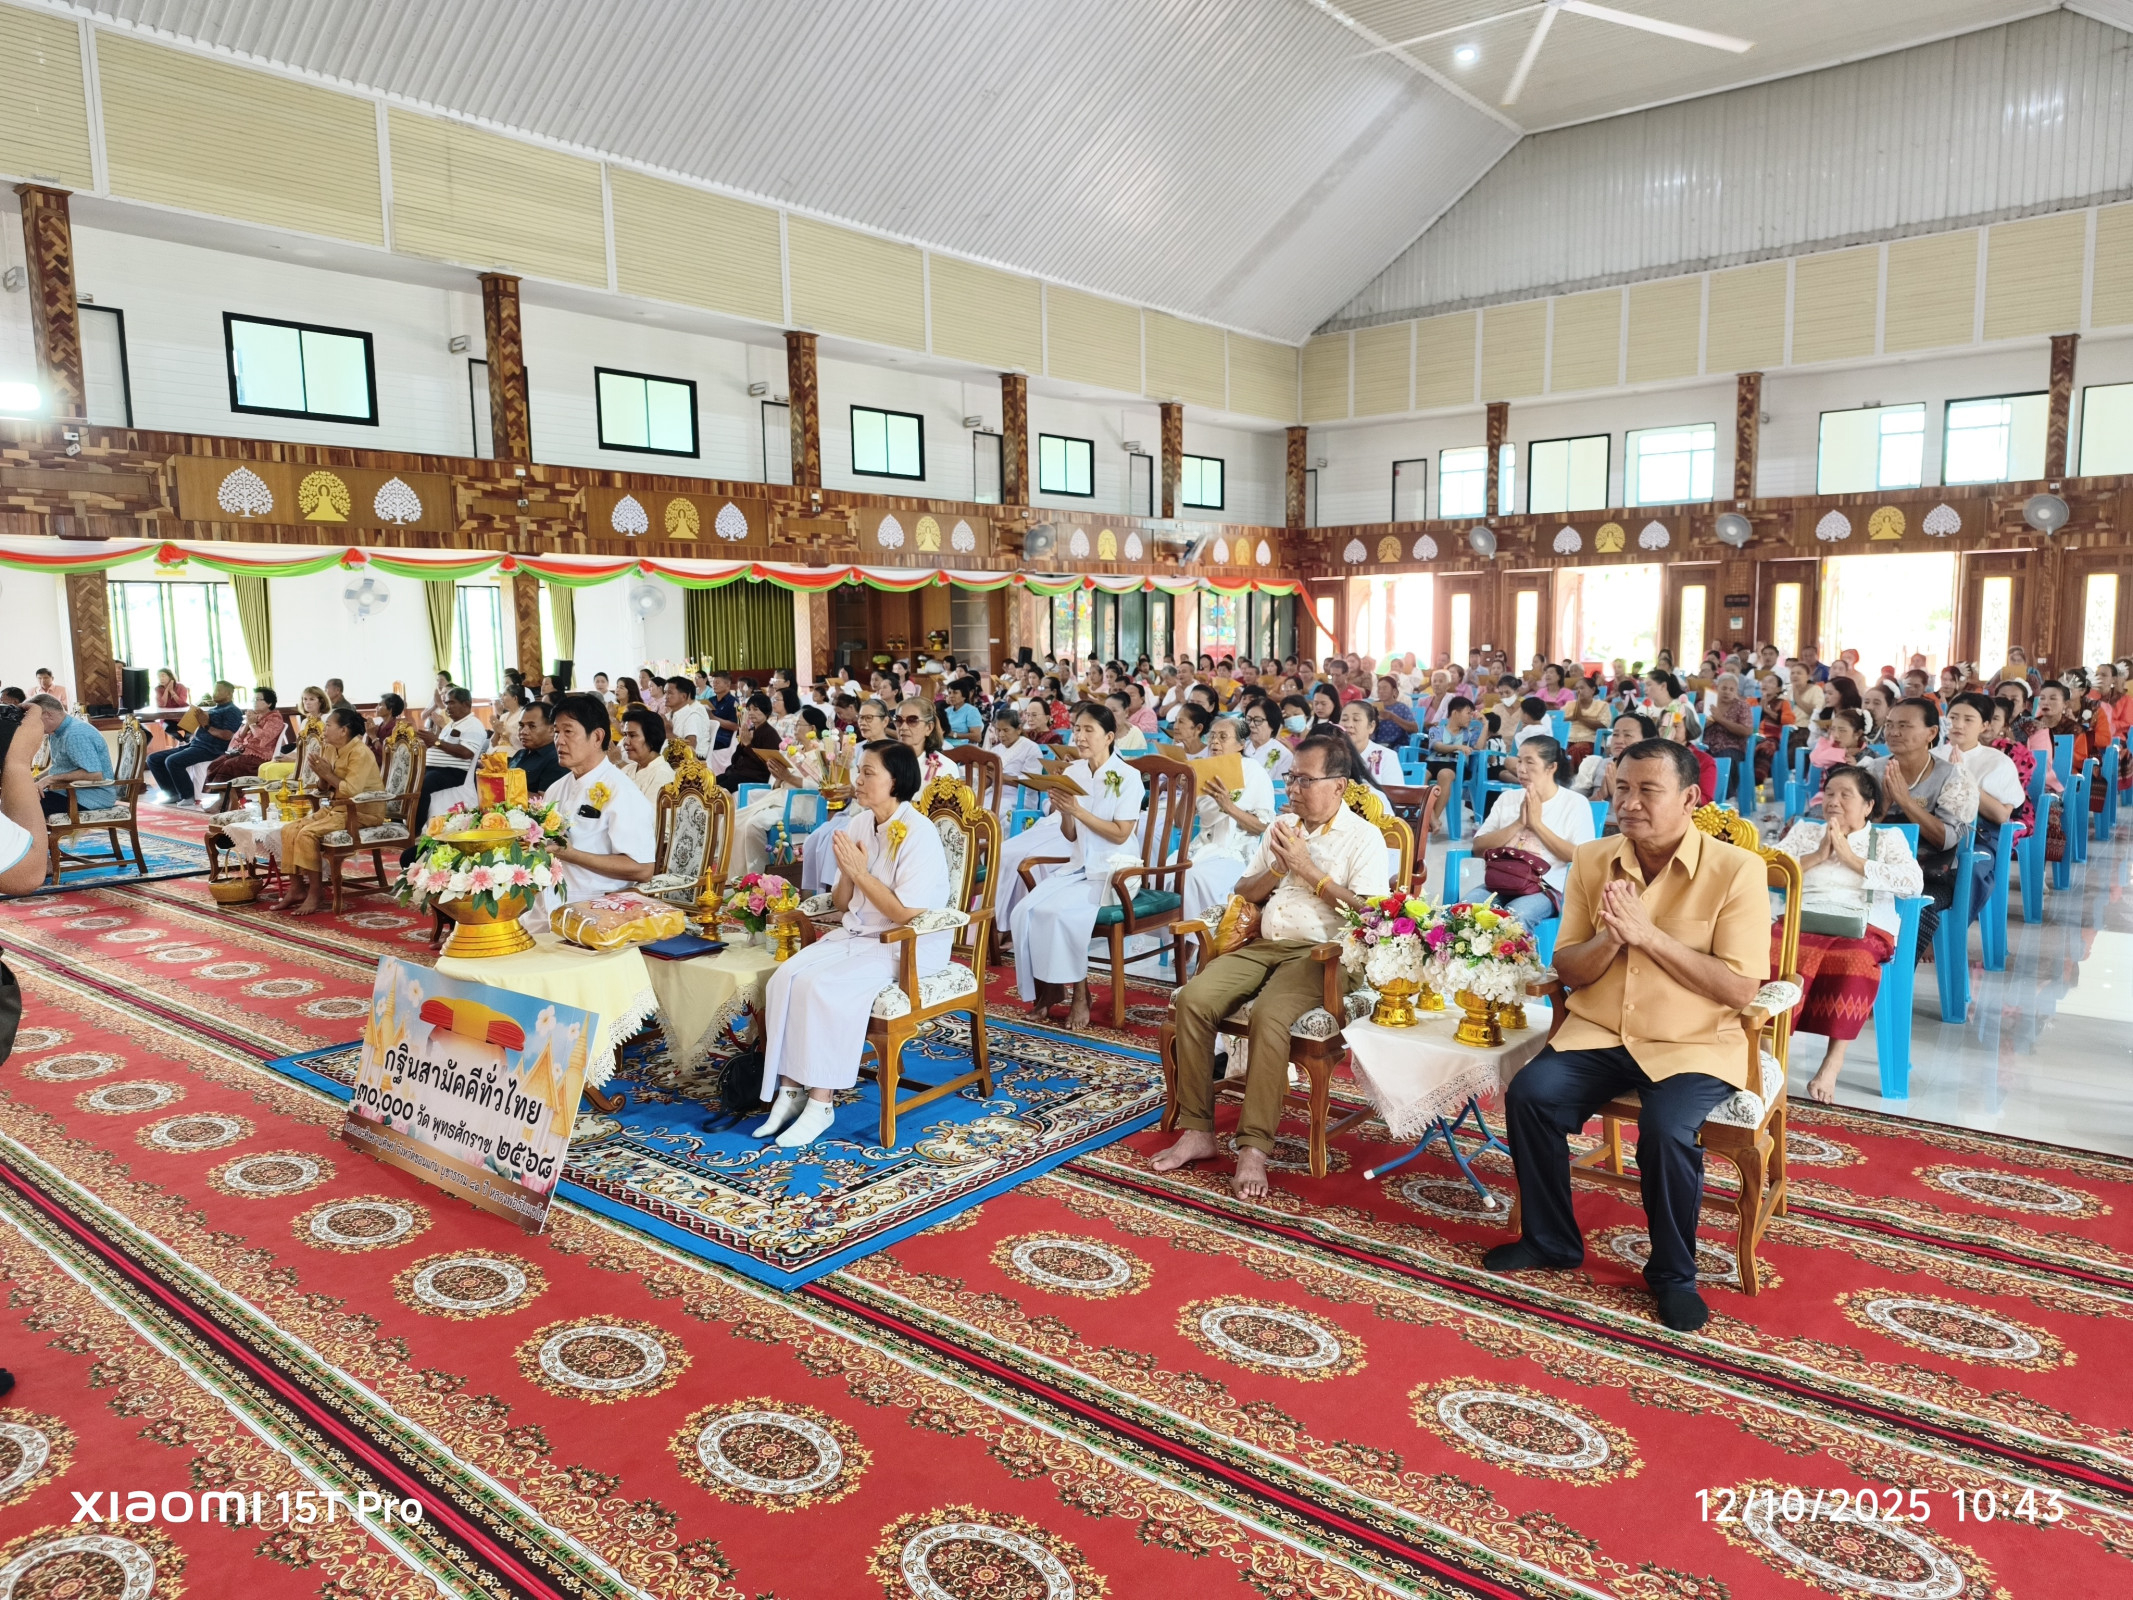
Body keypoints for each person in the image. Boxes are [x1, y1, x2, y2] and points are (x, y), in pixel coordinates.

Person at [1484, 739, 1769, 1333]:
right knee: (1530, 1096)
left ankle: (1672, 1275)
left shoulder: (1736, 870)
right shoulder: (1594, 859)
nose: (1630, 803)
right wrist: (1611, 940)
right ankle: (1550, 1241)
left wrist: (1648, 936)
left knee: (1666, 1130)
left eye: (1648, 790)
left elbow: (1740, 990)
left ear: (1690, 798)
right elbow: (1570, 969)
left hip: (1692, 1041)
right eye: (1621, 789)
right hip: (1602, 1031)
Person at [1153, 732, 1391, 1197]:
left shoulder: (1364, 838)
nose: (1293, 788)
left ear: (1339, 785)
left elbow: (1372, 916)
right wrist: (1279, 870)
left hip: (1323, 956)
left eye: (1305, 779)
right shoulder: (1281, 826)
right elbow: (1244, 892)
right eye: (1291, 777)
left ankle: (1254, 1147)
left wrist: (1309, 871)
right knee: (1196, 998)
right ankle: (1199, 1130)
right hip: (1264, 945)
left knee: (1270, 1015)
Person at [751, 741, 952, 1150]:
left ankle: (821, 1102)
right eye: (858, 771)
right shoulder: (860, 823)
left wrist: (861, 874)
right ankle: (790, 1092)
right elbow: (843, 903)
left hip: (905, 943)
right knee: (786, 978)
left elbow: (903, 913)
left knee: (825, 987)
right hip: (858, 933)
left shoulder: (920, 834)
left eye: (868, 773)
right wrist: (847, 874)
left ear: (895, 781)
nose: (856, 781)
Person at [1773, 766, 1924, 1105]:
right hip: (1802, 919)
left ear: (1869, 806)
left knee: (1855, 961)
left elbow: (1913, 883)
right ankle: (1769, 1056)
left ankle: (1833, 1060)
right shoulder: (1804, 831)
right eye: (1829, 794)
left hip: (1862, 926)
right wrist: (1818, 856)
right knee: (1765, 951)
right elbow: (1770, 872)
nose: (1834, 802)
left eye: (1845, 795)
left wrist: (1851, 859)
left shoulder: (1887, 839)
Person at [1011, 702, 1144, 1030]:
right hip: (1082, 864)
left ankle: (1081, 994)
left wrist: (1078, 810)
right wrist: (1065, 810)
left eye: (1088, 730)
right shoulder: (1073, 772)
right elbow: (1070, 834)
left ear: (1109, 736)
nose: (1079, 736)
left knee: (1061, 915)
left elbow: (1120, 834)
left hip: (1117, 871)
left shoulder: (1128, 776)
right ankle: (1049, 988)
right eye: (1076, 729)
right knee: (1025, 910)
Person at [1861, 698, 1979, 955]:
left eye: (1904, 725)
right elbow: (1851, 829)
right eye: (1890, 724)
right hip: (1874, 871)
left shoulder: (1953, 776)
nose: (1893, 732)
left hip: (1929, 878)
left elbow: (1946, 840)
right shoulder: (1871, 770)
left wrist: (1905, 802)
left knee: (1916, 912)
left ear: (1932, 733)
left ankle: (1892, 983)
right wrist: (1882, 810)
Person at [1469, 736, 1596, 923]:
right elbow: (1478, 848)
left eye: (1529, 762)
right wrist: (1519, 823)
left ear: (1551, 767)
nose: (1521, 769)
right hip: (1501, 881)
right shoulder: (1508, 798)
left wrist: (1537, 825)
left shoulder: (1574, 803)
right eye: (1519, 761)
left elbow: (1579, 856)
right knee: (1466, 909)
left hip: (1547, 886)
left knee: (1515, 915)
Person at [544, 693, 657, 900]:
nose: (559, 741)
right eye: (556, 732)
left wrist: (572, 855)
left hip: (596, 904)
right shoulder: (556, 789)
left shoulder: (622, 792)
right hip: (548, 899)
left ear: (597, 737)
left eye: (568, 732)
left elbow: (643, 869)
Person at [272, 708, 383, 916]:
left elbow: (351, 791)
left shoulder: (360, 752)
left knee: (307, 834)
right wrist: (321, 776)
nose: (324, 729)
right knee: (288, 829)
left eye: (329, 725)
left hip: (361, 812)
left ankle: (316, 892)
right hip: (336, 807)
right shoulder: (330, 748)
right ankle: (296, 889)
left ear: (344, 730)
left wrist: (327, 773)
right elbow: (323, 789)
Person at [1180, 713, 1277, 932]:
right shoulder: (1204, 769)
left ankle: (1197, 939)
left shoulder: (1254, 772)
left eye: (1223, 737)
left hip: (1237, 852)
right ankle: (1182, 938)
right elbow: (1179, 822)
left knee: (1193, 876)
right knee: (1171, 872)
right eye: (1212, 736)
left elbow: (1262, 827)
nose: (1214, 742)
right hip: (1201, 848)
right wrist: (1186, 791)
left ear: (1241, 744)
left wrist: (1228, 805)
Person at [1942, 690, 2022, 863]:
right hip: (1936, 831)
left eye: (1968, 720)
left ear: (1984, 725)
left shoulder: (1998, 761)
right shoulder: (1931, 755)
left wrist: (1963, 779)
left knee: (1971, 864)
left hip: (1979, 835)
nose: (1958, 725)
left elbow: (2001, 816)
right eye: (1953, 717)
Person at [146, 679, 242, 802]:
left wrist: (206, 725)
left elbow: (228, 735)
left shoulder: (232, 711)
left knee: (173, 761)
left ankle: (188, 795)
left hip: (212, 749)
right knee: (153, 759)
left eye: (218, 690)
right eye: (214, 690)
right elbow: (202, 727)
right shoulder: (214, 709)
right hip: (196, 744)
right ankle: (172, 794)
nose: (214, 693)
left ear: (229, 694)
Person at [29, 694, 115, 818]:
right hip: (70, 792)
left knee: (23, 808)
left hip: (91, 797)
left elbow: (94, 774)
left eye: (36, 720)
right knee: (21, 801)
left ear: (48, 715)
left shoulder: (75, 734)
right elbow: (59, 768)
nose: (34, 726)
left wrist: (50, 779)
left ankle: (36, 838)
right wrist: (36, 779)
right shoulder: (57, 732)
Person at [413, 687, 487, 827]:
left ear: (466, 704)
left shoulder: (473, 725)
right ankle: (401, 822)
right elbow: (440, 745)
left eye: (452, 703)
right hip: (437, 769)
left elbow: (466, 753)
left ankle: (415, 828)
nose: (447, 707)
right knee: (409, 780)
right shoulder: (451, 725)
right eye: (446, 703)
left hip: (454, 772)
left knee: (422, 785)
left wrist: (435, 741)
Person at [202, 687, 287, 786]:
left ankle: (229, 797)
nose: (254, 702)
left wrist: (252, 724)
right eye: (253, 699)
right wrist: (248, 723)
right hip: (243, 753)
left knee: (229, 765)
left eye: (258, 699)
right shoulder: (255, 716)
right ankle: (227, 797)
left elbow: (263, 739)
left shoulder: (274, 719)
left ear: (269, 703)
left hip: (259, 757)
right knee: (215, 764)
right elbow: (238, 738)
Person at [717, 693, 783, 793]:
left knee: (716, 791)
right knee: (708, 782)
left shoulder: (770, 734)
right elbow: (734, 760)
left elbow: (768, 765)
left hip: (754, 777)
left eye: (755, 709)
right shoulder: (751, 730)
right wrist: (742, 744)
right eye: (749, 709)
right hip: (738, 773)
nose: (751, 713)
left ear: (766, 711)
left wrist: (748, 745)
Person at [506, 699, 566, 797]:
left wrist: (503, 789)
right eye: (521, 725)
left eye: (532, 726)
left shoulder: (557, 758)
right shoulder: (521, 753)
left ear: (552, 730)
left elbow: (544, 802)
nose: (523, 731)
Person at [619, 706, 675, 805]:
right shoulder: (628, 769)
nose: (626, 742)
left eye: (632, 735)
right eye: (625, 735)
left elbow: (651, 818)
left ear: (652, 738)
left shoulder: (662, 775)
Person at [1337, 698, 1398, 786]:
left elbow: (1395, 797)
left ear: (1371, 726)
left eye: (1356, 719)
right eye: (1344, 719)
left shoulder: (1387, 757)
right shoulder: (1331, 754)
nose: (1348, 725)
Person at [1241, 700, 1293, 783]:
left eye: (1257, 720)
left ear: (1272, 724)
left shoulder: (1285, 755)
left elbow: (1284, 788)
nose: (1251, 725)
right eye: (1248, 719)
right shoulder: (1239, 748)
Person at [1564, 677, 1611, 767]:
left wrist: (1581, 718)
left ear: (1592, 690)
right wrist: (1572, 717)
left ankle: (1572, 778)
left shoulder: (1602, 705)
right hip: (1568, 740)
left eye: (1582, 688)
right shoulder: (1570, 705)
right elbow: (1560, 720)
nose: (1578, 691)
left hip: (1590, 741)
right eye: (1576, 689)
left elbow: (1603, 725)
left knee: (1577, 750)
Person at [665, 676, 713, 762]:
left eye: (670, 693)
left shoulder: (692, 715)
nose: (666, 696)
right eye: (665, 693)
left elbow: (691, 747)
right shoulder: (668, 716)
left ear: (683, 696)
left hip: (692, 762)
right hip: (672, 757)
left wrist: (669, 733)